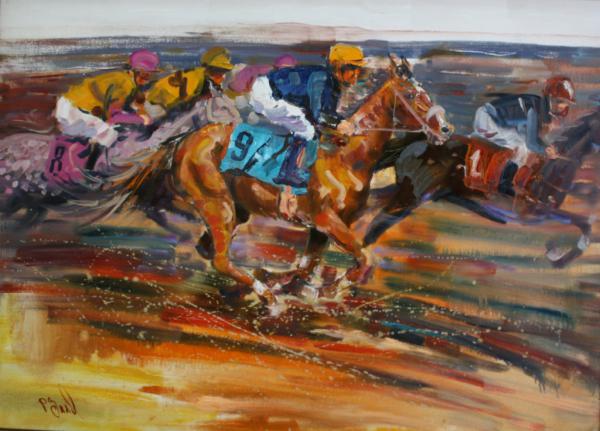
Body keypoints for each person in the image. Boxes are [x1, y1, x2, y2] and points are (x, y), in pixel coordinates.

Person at [247, 44, 366, 188]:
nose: (356, 74)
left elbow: (326, 114)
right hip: (265, 94)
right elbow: (318, 116)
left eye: (358, 69)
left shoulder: (333, 83)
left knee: (308, 126)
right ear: (338, 67)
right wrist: (339, 124)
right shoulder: (321, 79)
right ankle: (287, 173)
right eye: (352, 68)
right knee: (306, 130)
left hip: (272, 93)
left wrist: (338, 125)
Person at [55, 49, 160, 148]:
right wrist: (142, 120)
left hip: (67, 104)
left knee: (109, 129)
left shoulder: (120, 76)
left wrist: (139, 110)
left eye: (149, 75)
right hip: (74, 115)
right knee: (109, 136)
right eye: (144, 74)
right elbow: (113, 117)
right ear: (134, 71)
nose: (147, 79)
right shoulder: (125, 84)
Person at [472, 76, 576, 168]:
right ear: (550, 98)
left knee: (521, 139)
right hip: (487, 119)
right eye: (560, 101)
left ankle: (513, 169)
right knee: (522, 145)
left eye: (566, 103)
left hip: (489, 117)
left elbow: (527, 133)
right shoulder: (534, 110)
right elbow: (531, 144)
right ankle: (512, 173)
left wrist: (546, 147)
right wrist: (545, 150)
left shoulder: (537, 104)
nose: (564, 106)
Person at [144, 46, 236, 122]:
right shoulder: (195, 79)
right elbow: (183, 104)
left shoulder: (201, 75)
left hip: (160, 105)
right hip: (156, 108)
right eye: (221, 71)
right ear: (212, 69)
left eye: (224, 72)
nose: (222, 76)